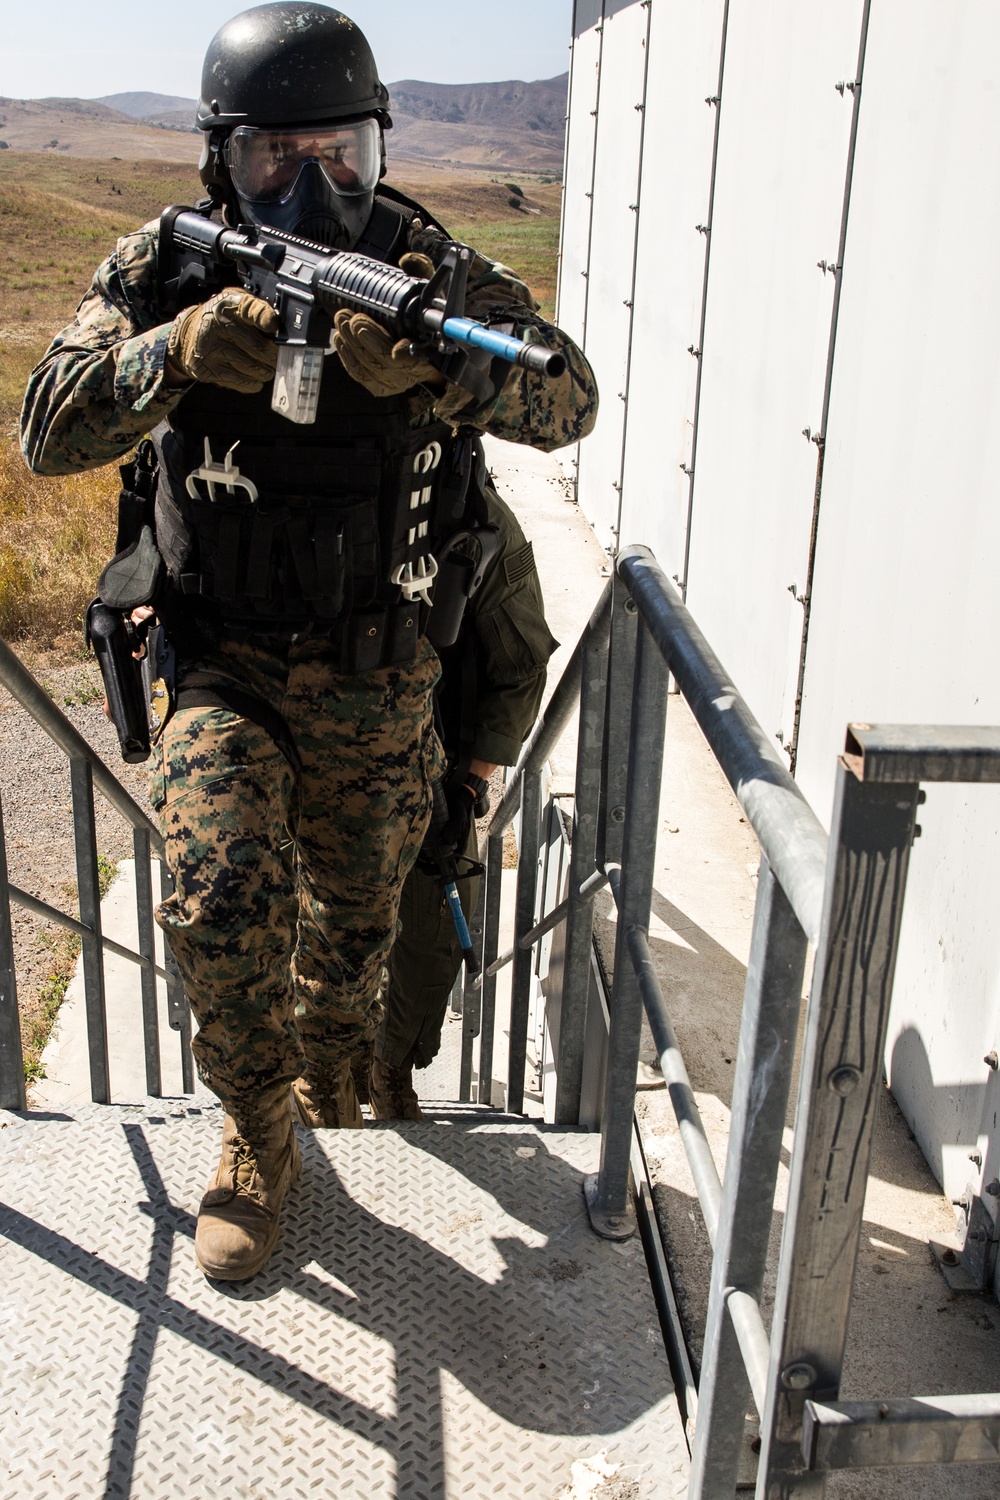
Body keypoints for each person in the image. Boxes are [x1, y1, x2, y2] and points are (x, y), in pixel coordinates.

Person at [20, 1, 597, 1282]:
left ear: (379, 147)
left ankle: (332, 1085)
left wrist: (450, 374)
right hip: (221, 660)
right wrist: (172, 355)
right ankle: (253, 1130)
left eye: (341, 150)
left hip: (382, 674)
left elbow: (569, 396)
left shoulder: (431, 271)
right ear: (224, 157)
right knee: (222, 897)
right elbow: (45, 429)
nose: (316, 182)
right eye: (279, 155)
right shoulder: (164, 268)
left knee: (349, 945)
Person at [366, 478, 556, 1122]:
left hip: (430, 774)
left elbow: (523, 660)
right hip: (301, 763)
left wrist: (471, 783)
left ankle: (387, 1071)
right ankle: (325, 1072)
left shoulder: (459, 499)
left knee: (434, 935)